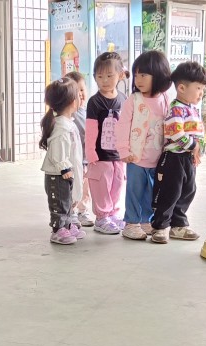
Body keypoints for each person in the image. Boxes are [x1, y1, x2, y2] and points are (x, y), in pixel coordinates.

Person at [114, 51, 175, 241]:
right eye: (136, 75)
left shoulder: (165, 98)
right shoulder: (133, 100)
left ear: (159, 75)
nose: (138, 80)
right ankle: (131, 223)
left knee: (152, 191)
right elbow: (122, 126)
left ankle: (145, 221)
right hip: (136, 158)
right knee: (134, 191)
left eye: (143, 75)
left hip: (158, 159)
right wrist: (124, 150)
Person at [149, 60, 206, 244]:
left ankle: (178, 225)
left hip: (188, 158)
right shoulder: (176, 108)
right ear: (182, 88)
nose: (201, 93)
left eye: (203, 89)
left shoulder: (193, 109)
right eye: (198, 88)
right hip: (174, 158)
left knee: (188, 190)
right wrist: (193, 146)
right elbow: (176, 133)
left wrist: (198, 150)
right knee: (170, 192)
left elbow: (199, 133)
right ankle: (160, 226)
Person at [85, 51, 128, 235]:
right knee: (101, 184)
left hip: (119, 155)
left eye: (110, 76)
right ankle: (102, 217)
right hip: (100, 155)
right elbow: (90, 130)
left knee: (117, 183)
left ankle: (113, 214)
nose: (104, 80)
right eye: (100, 76)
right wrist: (91, 153)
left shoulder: (124, 99)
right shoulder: (94, 102)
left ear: (120, 75)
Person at [39, 78, 86, 246]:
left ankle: (67, 226)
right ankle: (58, 230)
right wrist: (64, 168)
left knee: (67, 201)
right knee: (60, 203)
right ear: (73, 102)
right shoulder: (61, 127)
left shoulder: (66, 123)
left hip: (65, 173)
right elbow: (57, 152)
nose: (82, 97)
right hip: (58, 175)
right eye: (79, 95)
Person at [63, 71, 94, 227]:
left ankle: (83, 210)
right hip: (74, 160)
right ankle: (72, 211)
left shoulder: (88, 112)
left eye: (82, 89)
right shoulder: (68, 115)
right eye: (76, 91)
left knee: (86, 188)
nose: (80, 94)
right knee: (74, 187)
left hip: (87, 159)